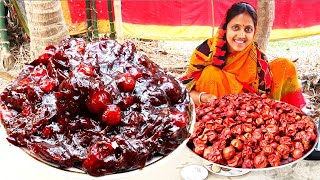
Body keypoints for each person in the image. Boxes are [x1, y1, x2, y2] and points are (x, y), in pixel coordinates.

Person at [180, 1, 306, 109]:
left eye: (248, 30)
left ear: (254, 32)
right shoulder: (206, 52)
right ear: (225, 28)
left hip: (249, 108)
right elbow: (184, 92)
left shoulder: (257, 57)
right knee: (211, 73)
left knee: (284, 65)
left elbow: (262, 94)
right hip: (216, 108)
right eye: (236, 27)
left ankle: (291, 121)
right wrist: (203, 97)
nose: (241, 35)